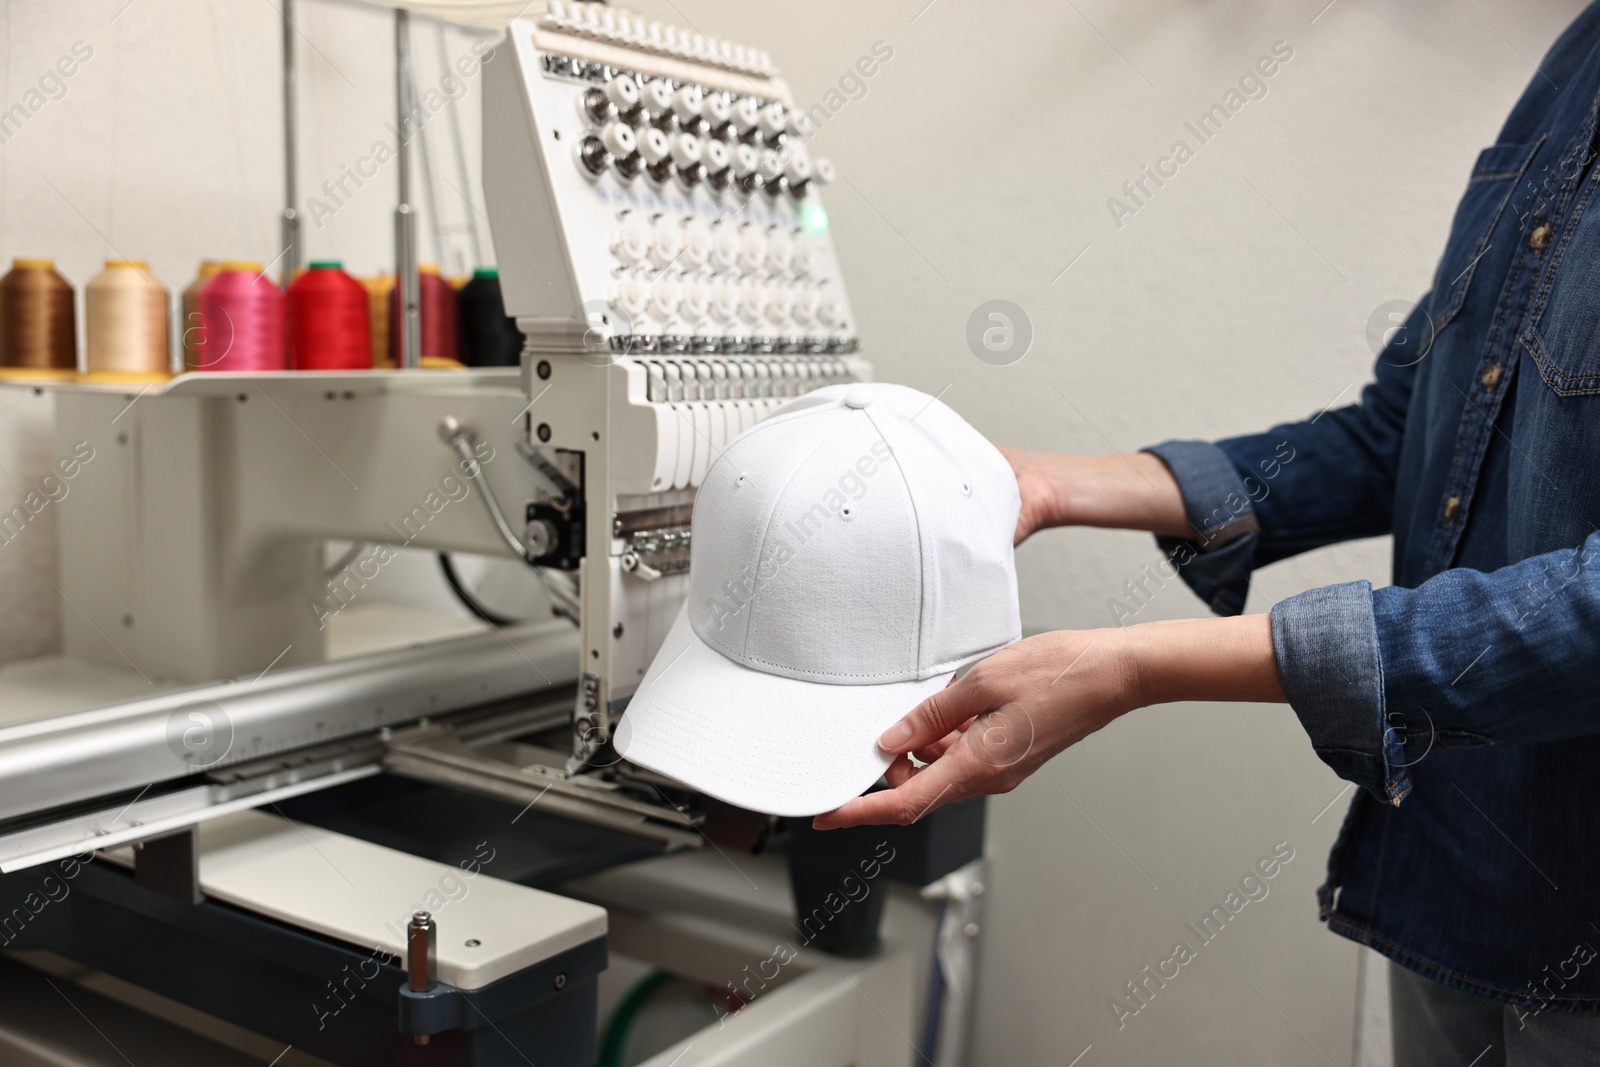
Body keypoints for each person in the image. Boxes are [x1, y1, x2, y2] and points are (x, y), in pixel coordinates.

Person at [815, 4, 1600, 1063]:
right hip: (1453, 879)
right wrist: (1050, 482)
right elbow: (1407, 429)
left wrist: (1133, 661)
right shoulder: (1576, 62)